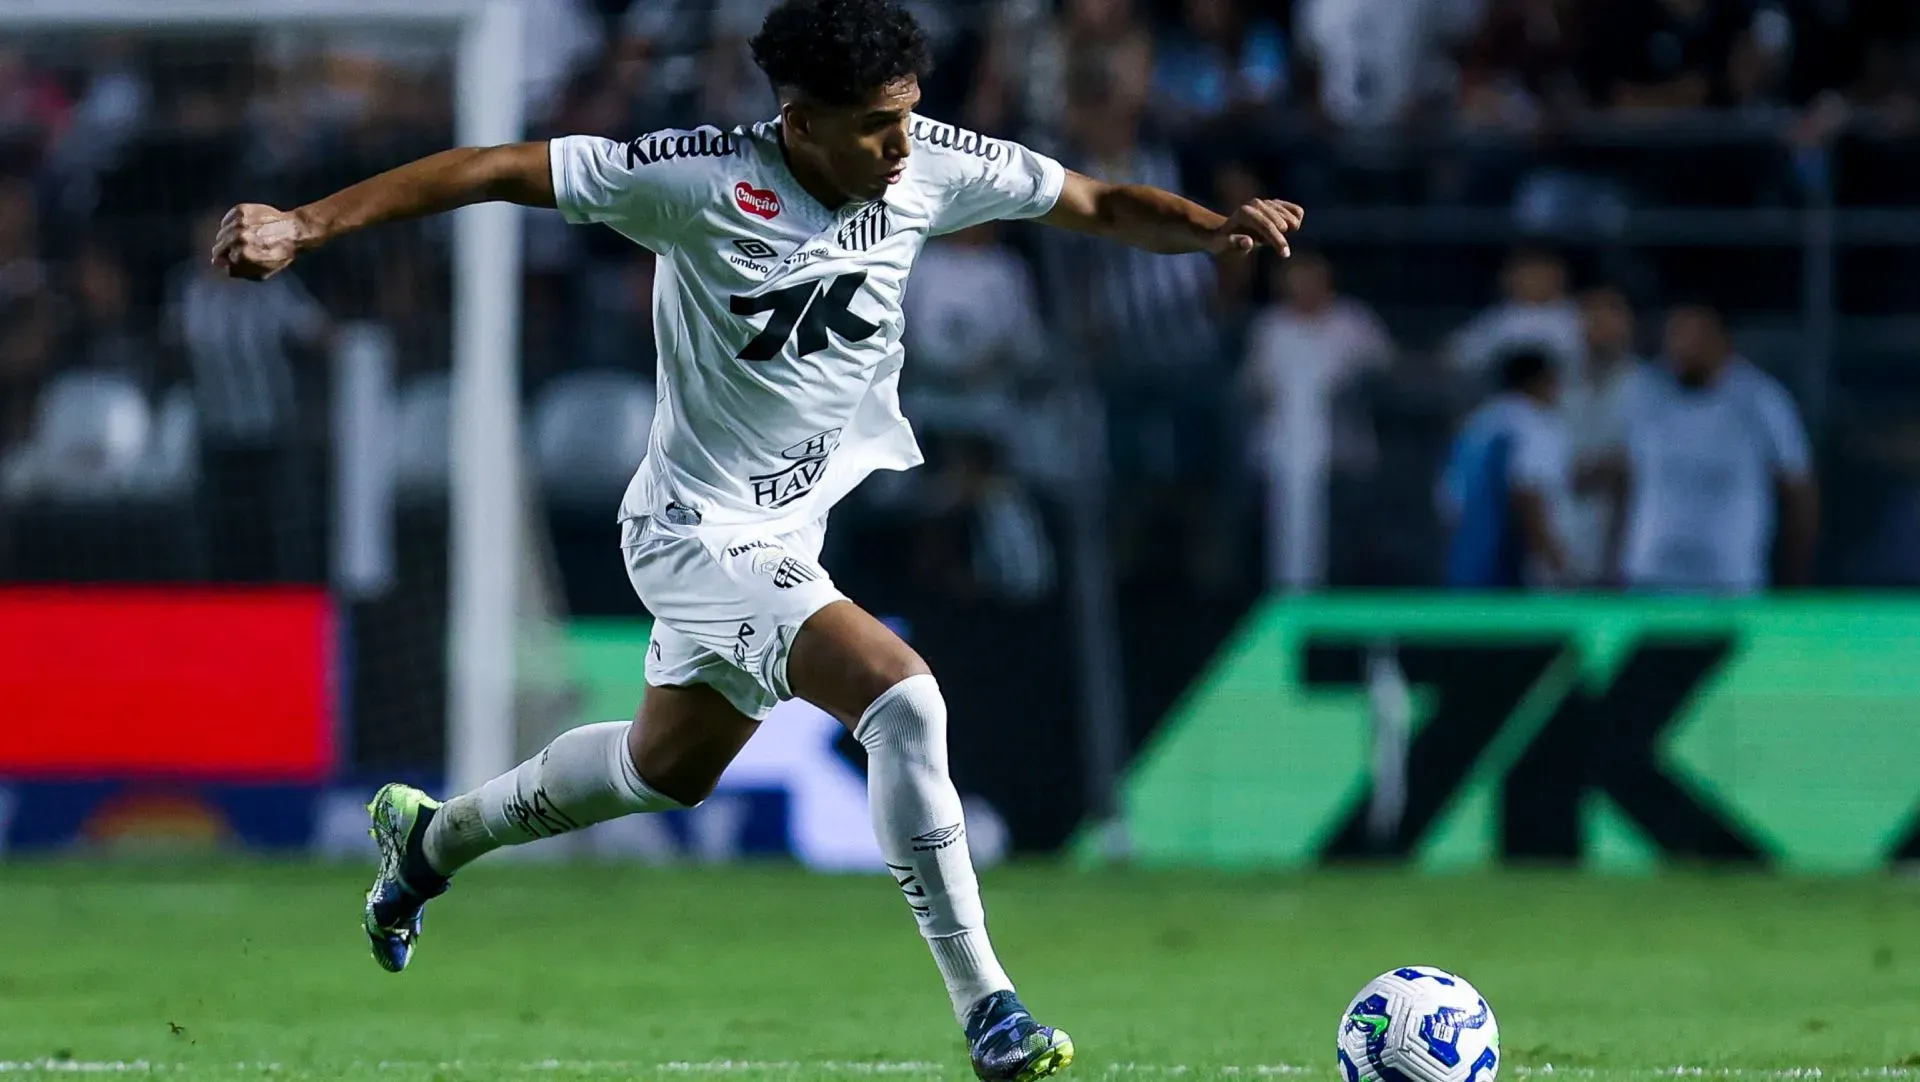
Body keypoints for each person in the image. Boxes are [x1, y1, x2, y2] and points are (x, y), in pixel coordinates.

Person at [210, 2, 1304, 1078]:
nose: (901, 143)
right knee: (904, 699)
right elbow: (494, 166)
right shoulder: (693, 179)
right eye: (876, 124)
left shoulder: (926, 164)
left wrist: (1212, 227)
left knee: (662, 768)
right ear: (799, 121)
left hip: (788, 525)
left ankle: (430, 842)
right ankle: (992, 1009)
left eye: (910, 115)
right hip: (693, 529)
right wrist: (308, 223)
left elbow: (1094, 198)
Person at [1599, 304, 1817, 594]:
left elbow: (1797, 488)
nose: (1683, 347)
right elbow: (1626, 481)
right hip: (1651, 577)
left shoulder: (1761, 399)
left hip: (1730, 579)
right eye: (1676, 336)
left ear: (1722, 341)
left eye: (1695, 337)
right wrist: (1613, 561)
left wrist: (1796, 575)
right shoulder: (1644, 392)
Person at [1438, 348, 1574, 590]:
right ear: (1538, 381)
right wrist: (1557, 561)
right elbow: (1526, 493)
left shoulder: (1476, 424)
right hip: (1506, 565)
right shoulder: (1531, 422)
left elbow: (1448, 500)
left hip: (1463, 563)